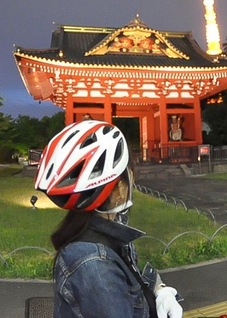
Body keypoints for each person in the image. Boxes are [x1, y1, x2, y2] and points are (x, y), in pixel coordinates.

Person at [35, 120, 183, 318]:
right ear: (121, 189)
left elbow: (131, 275)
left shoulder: (104, 231)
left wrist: (160, 290)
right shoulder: (94, 265)